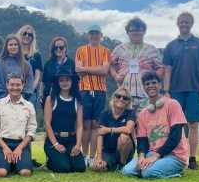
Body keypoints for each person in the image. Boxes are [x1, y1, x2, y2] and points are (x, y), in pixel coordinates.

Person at [163, 12, 199, 170]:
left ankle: (192, 158)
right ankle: (175, 155)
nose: (184, 24)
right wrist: (166, 91)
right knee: (174, 125)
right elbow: (167, 70)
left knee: (193, 124)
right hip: (175, 91)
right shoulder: (171, 46)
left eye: (187, 22)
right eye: (181, 22)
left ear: (191, 23)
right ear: (177, 24)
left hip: (194, 90)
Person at [122, 72, 189, 179]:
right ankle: (154, 168)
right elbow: (142, 140)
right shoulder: (143, 113)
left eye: (154, 83)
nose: (151, 86)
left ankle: (176, 173)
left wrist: (156, 156)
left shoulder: (173, 104)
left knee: (147, 173)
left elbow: (175, 136)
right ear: (143, 87)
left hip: (174, 156)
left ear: (160, 85)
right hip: (152, 154)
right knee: (127, 171)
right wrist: (141, 157)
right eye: (147, 84)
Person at [110, 17, 164, 114]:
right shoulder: (119, 49)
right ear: (127, 32)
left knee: (145, 123)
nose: (136, 32)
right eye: (133, 30)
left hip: (145, 94)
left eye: (139, 30)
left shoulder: (152, 49)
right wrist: (115, 76)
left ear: (144, 31)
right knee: (125, 125)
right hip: (124, 95)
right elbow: (110, 65)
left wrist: (153, 82)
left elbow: (160, 68)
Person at [75, 24, 110, 167]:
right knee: (85, 124)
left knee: (96, 124)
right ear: (88, 35)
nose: (94, 36)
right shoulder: (81, 50)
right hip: (84, 89)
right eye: (92, 33)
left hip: (100, 90)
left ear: (101, 35)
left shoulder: (105, 51)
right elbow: (78, 70)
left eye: (97, 33)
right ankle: (84, 155)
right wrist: (96, 69)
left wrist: (86, 69)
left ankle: (92, 156)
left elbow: (105, 70)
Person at [0, 73, 37, 177]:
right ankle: (7, 163)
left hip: (22, 144)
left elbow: (31, 130)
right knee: (1, 173)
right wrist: (5, 147)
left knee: (25, 173)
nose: (15, 88)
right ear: (7, 85)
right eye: (12, 84)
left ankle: (17, 163)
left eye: (18, 85)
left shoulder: (29, 106)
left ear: (23, 85)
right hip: (2, 144)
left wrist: (20, 148)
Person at [43, 66, 85, 173]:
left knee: (79, 168)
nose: (64, 83)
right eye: (61, 80)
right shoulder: (51, 99)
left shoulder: (78, 100)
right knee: (64, 168)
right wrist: (56, 144)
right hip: (54, 140)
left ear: (72, 81)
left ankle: (65, 157)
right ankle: (50, 161)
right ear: (57, 82)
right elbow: (47, 123)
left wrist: (78, 145)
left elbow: (80, 125)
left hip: (71, 139)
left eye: (67, 80)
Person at [93, 87, 135, 172]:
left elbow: (128, 130)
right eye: (118, 96)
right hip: (108, 151)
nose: (121, 99)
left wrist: (109, 130)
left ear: (128, 102)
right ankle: (111, 165)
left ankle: (122, 165)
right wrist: (99, 157)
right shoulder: (105, 113)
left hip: (125, 150)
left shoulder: (131, 113)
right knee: (98, 168)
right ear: (113, 97)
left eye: (125, 98)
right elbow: (100, 134)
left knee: (124, 137)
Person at [0, 35, 34, 102]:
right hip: (1, 101)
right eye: (10, 45)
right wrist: (5, 97)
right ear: (6, 47)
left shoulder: (26, 65)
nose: (13, 47)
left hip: (20, 101)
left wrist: (21, 97)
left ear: (19, 47)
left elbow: (29, 85)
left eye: (15, 44)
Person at [42, 36, 78, 106]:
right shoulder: (48, 64)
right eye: (56, 47)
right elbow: (43, 82)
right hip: (50, 98)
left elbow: (75, 81)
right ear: (53, 49)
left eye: (61, 47)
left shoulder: (71, 63)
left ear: (65, 49)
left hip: (67, 97)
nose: (58, 49)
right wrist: (41, 95)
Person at [16, 24, 43, 107]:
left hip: (31, 94)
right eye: (25, 33)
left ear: (32, 38)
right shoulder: (15, 53)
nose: (27, 36)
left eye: (30, 35)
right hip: (14, 91)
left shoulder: (36, 55)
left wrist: (30, 90)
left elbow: (37, 77)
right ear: (20, 35)